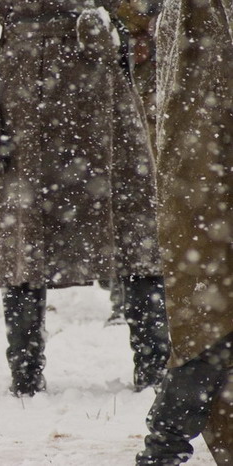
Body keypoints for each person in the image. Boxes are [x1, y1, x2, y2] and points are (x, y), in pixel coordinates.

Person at [0, 0, 169, 396]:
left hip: (88, 69)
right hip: (36, 80)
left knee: (127, 220)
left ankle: (153, 366)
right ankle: (31, 374)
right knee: (36, 228)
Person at [136, 0, 233, 463]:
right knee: (208, 321)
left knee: (210, 318)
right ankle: (164, 445)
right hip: (203, 175)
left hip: (200, 170)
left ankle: (164, 444)